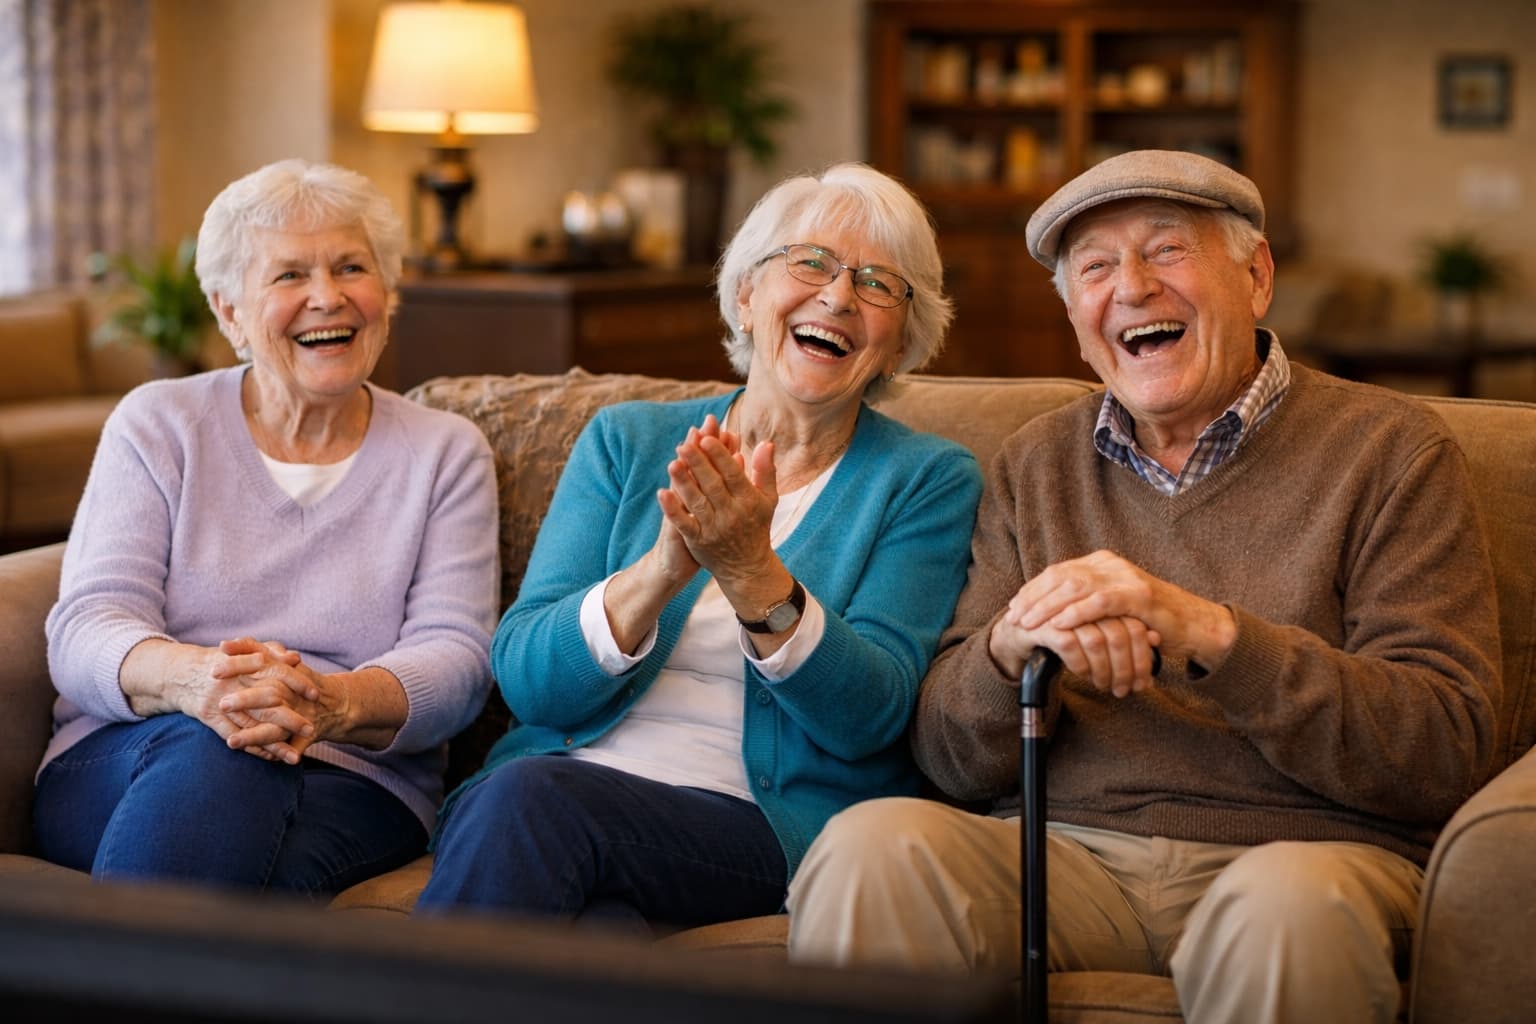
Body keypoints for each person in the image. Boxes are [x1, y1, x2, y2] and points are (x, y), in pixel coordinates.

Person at [784, 150, 1502, 1024]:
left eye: (1166, 251)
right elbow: (946, 754)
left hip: (1306, 856)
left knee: (1285, 908)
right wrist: (1013, 646)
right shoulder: (1035, 464)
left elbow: (1443, 746)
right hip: (1060, 854)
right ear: (1078, 321)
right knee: (870, 849)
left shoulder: (1390, 451)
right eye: (1094, 267)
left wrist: (1209, 635)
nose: (1129, 287)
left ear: (1257, 275)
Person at [416, 162, 983, 933]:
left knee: (532, 807)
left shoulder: (923, 480)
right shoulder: (625, 441)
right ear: (748, 298)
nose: (840, 297)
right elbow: (528, 681)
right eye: (810, 262)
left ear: (899, 344)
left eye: (878, 284)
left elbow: (871, 715)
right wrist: (659, 572)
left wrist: (753, 573)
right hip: (566, 799)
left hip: (748, 826)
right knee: (600, 931)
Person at [35, 159, 500, 901]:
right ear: (228, 313)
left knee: (239, 818)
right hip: (133, 752)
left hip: (353, 776)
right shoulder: (160, 424)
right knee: (222, 760)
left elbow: (457, 656)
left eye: (352, 266)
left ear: (388, 294)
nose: (327, 296)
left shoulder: (445, 452)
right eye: (288, 276)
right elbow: (88, 624)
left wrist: (332, 702)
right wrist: (198, 684)